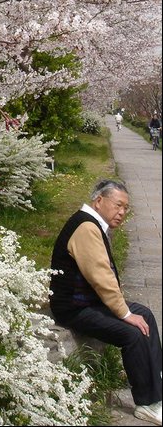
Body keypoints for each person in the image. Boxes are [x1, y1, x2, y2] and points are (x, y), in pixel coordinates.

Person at [49, 179, 162, 425]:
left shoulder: (93, 224)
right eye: (118, 205)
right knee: (132, 332)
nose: (122, 212)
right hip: (73, 308)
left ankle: (156, 384)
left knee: (146, 314)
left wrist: (127, 310)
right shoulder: (86, 227)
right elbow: (101, 276)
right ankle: (146, 403)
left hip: (89, 303)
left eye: (126, 208)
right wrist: (123, 313)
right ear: (99, 201)